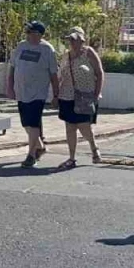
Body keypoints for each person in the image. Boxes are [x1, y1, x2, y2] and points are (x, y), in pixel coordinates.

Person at [7, 21, 60, 169]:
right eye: (27, 31)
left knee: (33, 123)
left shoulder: (47, 49)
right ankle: (40, 146)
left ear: (38, 34)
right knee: (25, 123)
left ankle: (31, 155)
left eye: (30, 31)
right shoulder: (21, 46)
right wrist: (10, 86)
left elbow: (53, 74)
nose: (27, 34)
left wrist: (56, 95)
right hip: (21, 91)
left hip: (38, 93)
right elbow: (12, 67)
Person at [56, 27, 103, 170]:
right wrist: (55, 95)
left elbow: (99, 73)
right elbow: (60, 76)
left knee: (84, 126)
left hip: (84, 96)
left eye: (74, 39)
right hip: (66, 96)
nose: (72, 42)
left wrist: (97, 94)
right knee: (70, 127)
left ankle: (94, 148)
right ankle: (72, 157)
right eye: (70, 39)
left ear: (82, 40)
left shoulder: (89, 53)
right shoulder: (66, 55)